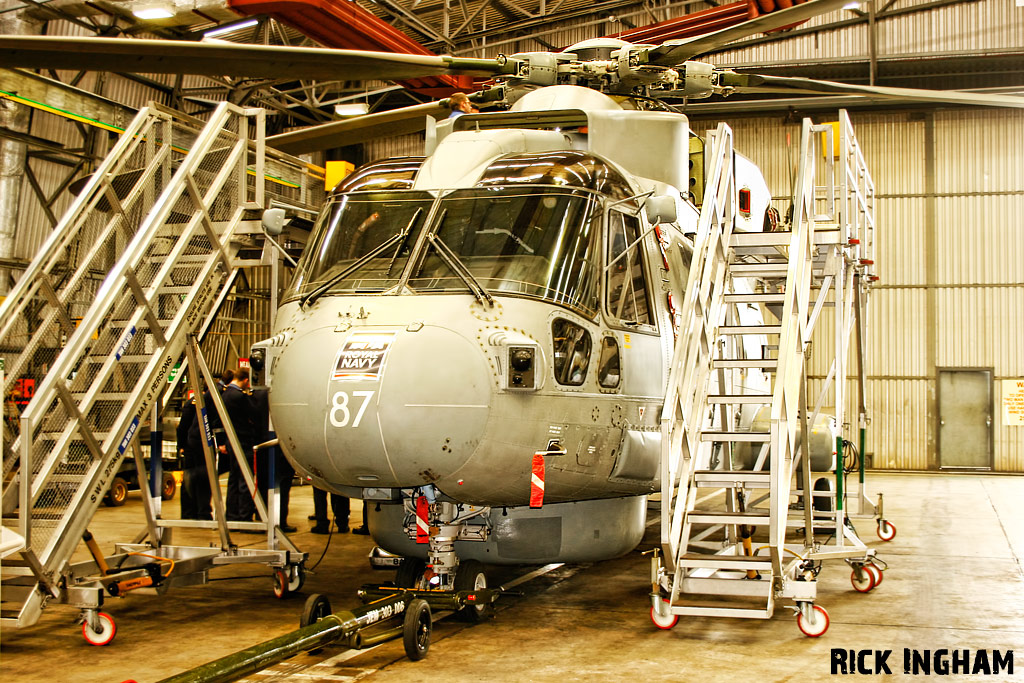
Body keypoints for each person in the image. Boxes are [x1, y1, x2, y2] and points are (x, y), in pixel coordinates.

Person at [251, 387, 296, 532]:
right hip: (280, 445)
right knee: (282, 485)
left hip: (263, 445)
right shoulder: (285, 393)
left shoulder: (256, 395)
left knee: (264, 483)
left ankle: (262, 516)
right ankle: (280, 520)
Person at [221, 367, 257, 523]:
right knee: (245, 480)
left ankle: (232, 515)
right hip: (243, 441)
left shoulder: (225, 394)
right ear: (246, 380)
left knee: (233, 480)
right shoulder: (240, 397)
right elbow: (253, 415)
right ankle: (244, 517)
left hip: (231, 441)